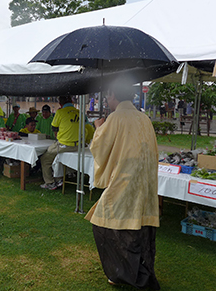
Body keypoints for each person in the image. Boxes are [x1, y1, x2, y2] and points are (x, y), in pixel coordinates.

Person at [85, 79, 160, 290]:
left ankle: (128, 275)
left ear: (113, 96)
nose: (107, 100)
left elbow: (100, 148)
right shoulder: (143, 118)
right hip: (144, 182)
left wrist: (99, 127)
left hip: (125, 181)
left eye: (108, 96)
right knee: (139, 228)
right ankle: (127, 272)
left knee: (106, 225)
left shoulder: (116, 118)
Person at [39, 96, 94, 190]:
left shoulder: (60, 112)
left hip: (64, 145)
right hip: (79, 145)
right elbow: (86, 127)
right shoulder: (80, 113)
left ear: (60, 104)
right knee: (55, 156)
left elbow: (54, 128)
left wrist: (58, 137)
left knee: (45, 158)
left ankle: (50, 182)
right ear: (72, 102)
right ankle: (59, 178)